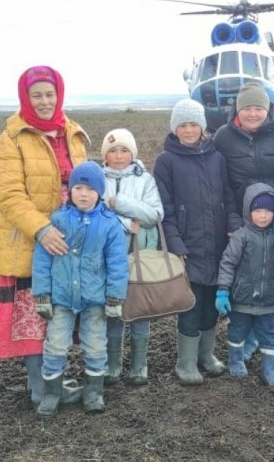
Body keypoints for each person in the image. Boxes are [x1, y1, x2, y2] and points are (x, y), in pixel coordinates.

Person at [0, 65, 89, 408]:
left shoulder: (72, 132)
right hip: (30, 241)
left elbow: (87, 183)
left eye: (49, 94)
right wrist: (41, 229)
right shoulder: (11, 138)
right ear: (25, 98)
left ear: (60, 95)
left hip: (70, 240)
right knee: (35, 317)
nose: (44, 101)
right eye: (36, 95)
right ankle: (42, 388)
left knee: (60, 313)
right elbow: (9, 195)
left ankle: (50, 378)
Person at [214, 82, 274, 361]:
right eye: (247, 108)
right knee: (250, 274)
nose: (253, 113)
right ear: (237, 110)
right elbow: (222, 183)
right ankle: (251, 336)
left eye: (259, 107)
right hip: (246, 222)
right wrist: (234, 221)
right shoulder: (223, 137)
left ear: (269, 109)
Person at [153, 99, 242, 385]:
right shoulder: (166, 161)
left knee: (211, 304)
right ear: (175, 128)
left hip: (216, 244)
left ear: (202, 126)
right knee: (191, 303)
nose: (189, 130)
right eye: (183, 125)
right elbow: (163, 209)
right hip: (188, 248)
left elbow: (228, 196)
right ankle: (186, 362)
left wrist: (233, 225)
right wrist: (176, 245)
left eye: (194, 124)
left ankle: (206, 355)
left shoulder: (216, 157)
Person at [32, 161, 129, 417]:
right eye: (78, 188)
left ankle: (93, 392)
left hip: (95, 299)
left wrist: (115, 297)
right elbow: (42, 260)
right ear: (70, 190)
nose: (83, 194)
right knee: (55, 345)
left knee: (96, 345)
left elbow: (117, 263)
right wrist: (42, 294)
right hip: (61, 298)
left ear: (99, 192)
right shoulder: (57, 220)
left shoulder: (110, 224)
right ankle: (52, 393)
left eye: (89, 188)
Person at [215, 183, 274, 388]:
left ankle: (270, 371)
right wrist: (223, 291)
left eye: (268, 211)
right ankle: (236, 361)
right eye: (258, 211)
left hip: (269, 299)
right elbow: (228, 263)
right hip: (242, 297)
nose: (263, 216)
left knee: (269, 334)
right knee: (237, 330)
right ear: (248, 211)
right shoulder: (241, 236)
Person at [100, 128, 164, 386]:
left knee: (139, 308)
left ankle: (140, 365)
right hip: (107, 255)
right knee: (112, 310)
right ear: (105, 154)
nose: (118, 156)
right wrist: (126, 223)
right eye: (112, 151)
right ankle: (112, 366)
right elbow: (94, 212)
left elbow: (154, 215)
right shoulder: (97, 178)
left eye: (124, 150)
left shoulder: (145, 180)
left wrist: (120, 203)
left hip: (140, 253)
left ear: (132, 153)